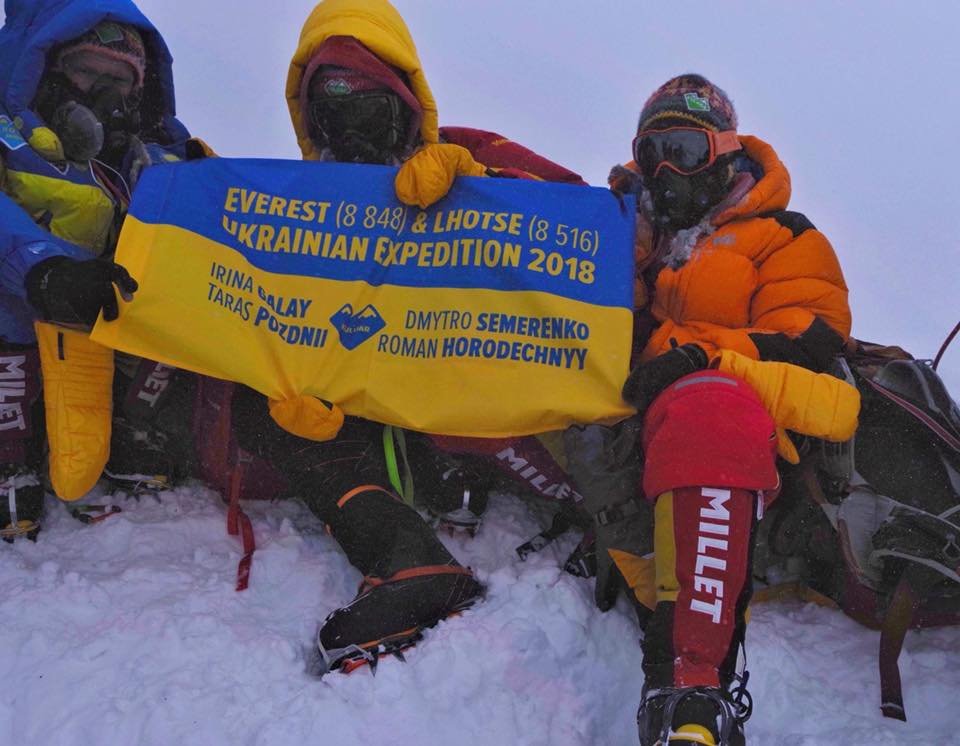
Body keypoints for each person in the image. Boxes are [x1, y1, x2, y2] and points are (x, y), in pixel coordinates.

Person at [195, 0, 586, 674]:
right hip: (375, 406)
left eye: (367, 98)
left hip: (486, 390)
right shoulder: (305, 205)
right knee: (266, 397)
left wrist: (483, 189)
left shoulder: (468, 151)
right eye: (329, 103)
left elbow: (579, 228)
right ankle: (406, 558)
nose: (348, 121)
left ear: (407, 99)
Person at [568, 74, 855, 745]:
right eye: (653, 152)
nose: (668, 169)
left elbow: (810, 341)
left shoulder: (780, 237)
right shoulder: (628, 237)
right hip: (631, 428)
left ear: (727, 152)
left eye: (686, 149)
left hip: (737, 439)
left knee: (706, 405)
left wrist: (701, 358)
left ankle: (693, 695)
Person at [0, 1, 205, 540]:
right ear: (48, 70)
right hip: (22, 299)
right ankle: (8, 451)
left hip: (105, 313)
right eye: (85, 71)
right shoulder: (9, 136)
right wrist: (42, 271)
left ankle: (133, 426)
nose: (101, 90)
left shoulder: (160, 150)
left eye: (118, 78)